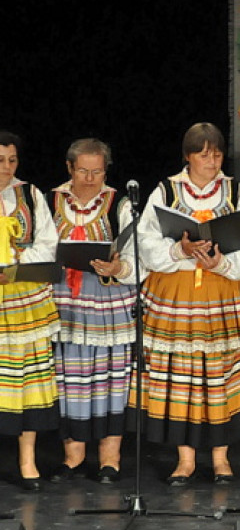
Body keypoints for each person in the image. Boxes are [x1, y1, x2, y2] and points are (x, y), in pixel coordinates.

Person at [131, 122, 240, 485]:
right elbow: (146, 242)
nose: (212, 160)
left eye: (217, 153)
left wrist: (222, 262)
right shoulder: (166, 191)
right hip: (177, 293)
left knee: (219, 372)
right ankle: (185, 460)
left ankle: (221, 459)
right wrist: (180, 248)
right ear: (188, 156)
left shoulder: (236, 191)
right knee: (182, 375)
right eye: (204, 154)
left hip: (221, 291)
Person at [49, 138, 137, 485]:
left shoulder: (120, 203)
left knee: (110, 378)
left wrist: (118, 267)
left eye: (97, 171)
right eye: (83, 171)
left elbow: (134, 248)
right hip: (65, 302)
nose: (90, 178)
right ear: (69, 168)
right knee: (69, 379)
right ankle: (73, 456)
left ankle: (110, 458)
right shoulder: (50, 201)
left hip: (108, 302)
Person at [0, 130, 60, 491]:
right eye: (0, 161)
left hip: (24, 298)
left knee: (25, 381)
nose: (6, 168)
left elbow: (47, 243)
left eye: (12, 160)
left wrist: (16, 262)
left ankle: (27, 462)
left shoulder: (30, 195)